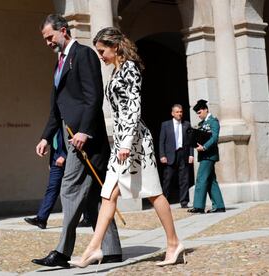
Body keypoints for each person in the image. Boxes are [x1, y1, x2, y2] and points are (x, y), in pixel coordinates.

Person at [69, 27, 185, 269]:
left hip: (134, 143)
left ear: (115, 46)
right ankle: (94, 247)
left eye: (102, 51)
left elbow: (133, 108)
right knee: (108, 193)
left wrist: (125, 144)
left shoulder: (130, 69)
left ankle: (174, 243)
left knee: (154, 193)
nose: (100, 56)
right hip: (123, 142)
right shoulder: (117, 71)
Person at [32, 14, 122, 268]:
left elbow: (94, 96)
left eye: (50, 37)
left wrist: (84, 131)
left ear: (63, 30)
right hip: (70, 136)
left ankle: (62, 252)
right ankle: (112, 249)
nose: (48, 42)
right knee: (92, 194)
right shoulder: (59, 63)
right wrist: (45, 137)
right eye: (45, 39)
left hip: (85, 139)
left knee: (69, 188)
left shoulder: (84, 54)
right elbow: (57, 107)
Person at [24, 128, 91, 229]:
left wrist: (64, 156)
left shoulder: (67, 121)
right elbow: (55, 145)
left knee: (78, 187)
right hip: (56, 160)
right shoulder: (54, 125)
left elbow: (71, 140)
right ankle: (41, 219)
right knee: (52, 188)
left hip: (70, 158)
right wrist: (51, 162)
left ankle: (88, 217)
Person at [188, 100, 226, 214]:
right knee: (210, 181)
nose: (199, 115)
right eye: (197, 113)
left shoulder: (213, 121)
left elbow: (214, 138)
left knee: (201, 179)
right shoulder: (202, 124)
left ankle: (198, 207)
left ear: (205, 109)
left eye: (199, 112)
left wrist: (204, 147)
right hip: (204, 155)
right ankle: (219, 206)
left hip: (209, 155)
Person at [159, 104, 194, 208]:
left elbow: (190, 140)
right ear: (172, 113)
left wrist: (191, 155)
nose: (180, 114)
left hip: (183, 154)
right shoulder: (165, 125)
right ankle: (165, 201)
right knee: (168, 179)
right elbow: (161, 141)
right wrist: (162, 155)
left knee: (184, 179)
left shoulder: (186, 124)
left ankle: (184, 202)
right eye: (177, 112)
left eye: (181, 112)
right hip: (170, 155)